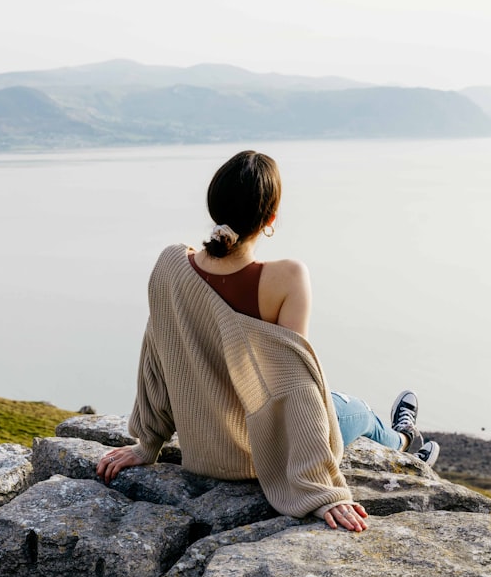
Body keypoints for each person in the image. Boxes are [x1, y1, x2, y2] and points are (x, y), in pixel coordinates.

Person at [97, 150, 440, 531]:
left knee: (342, 403)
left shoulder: (170, 264)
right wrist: (321, 493)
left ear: (214, 205)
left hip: (204, 453)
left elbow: (157, 356)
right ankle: (405, 444)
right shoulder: (288, 277)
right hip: (263, 456)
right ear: (271, 219)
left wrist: (147, 444)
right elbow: (297, 388)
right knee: (355, 409)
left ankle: (406, 443)